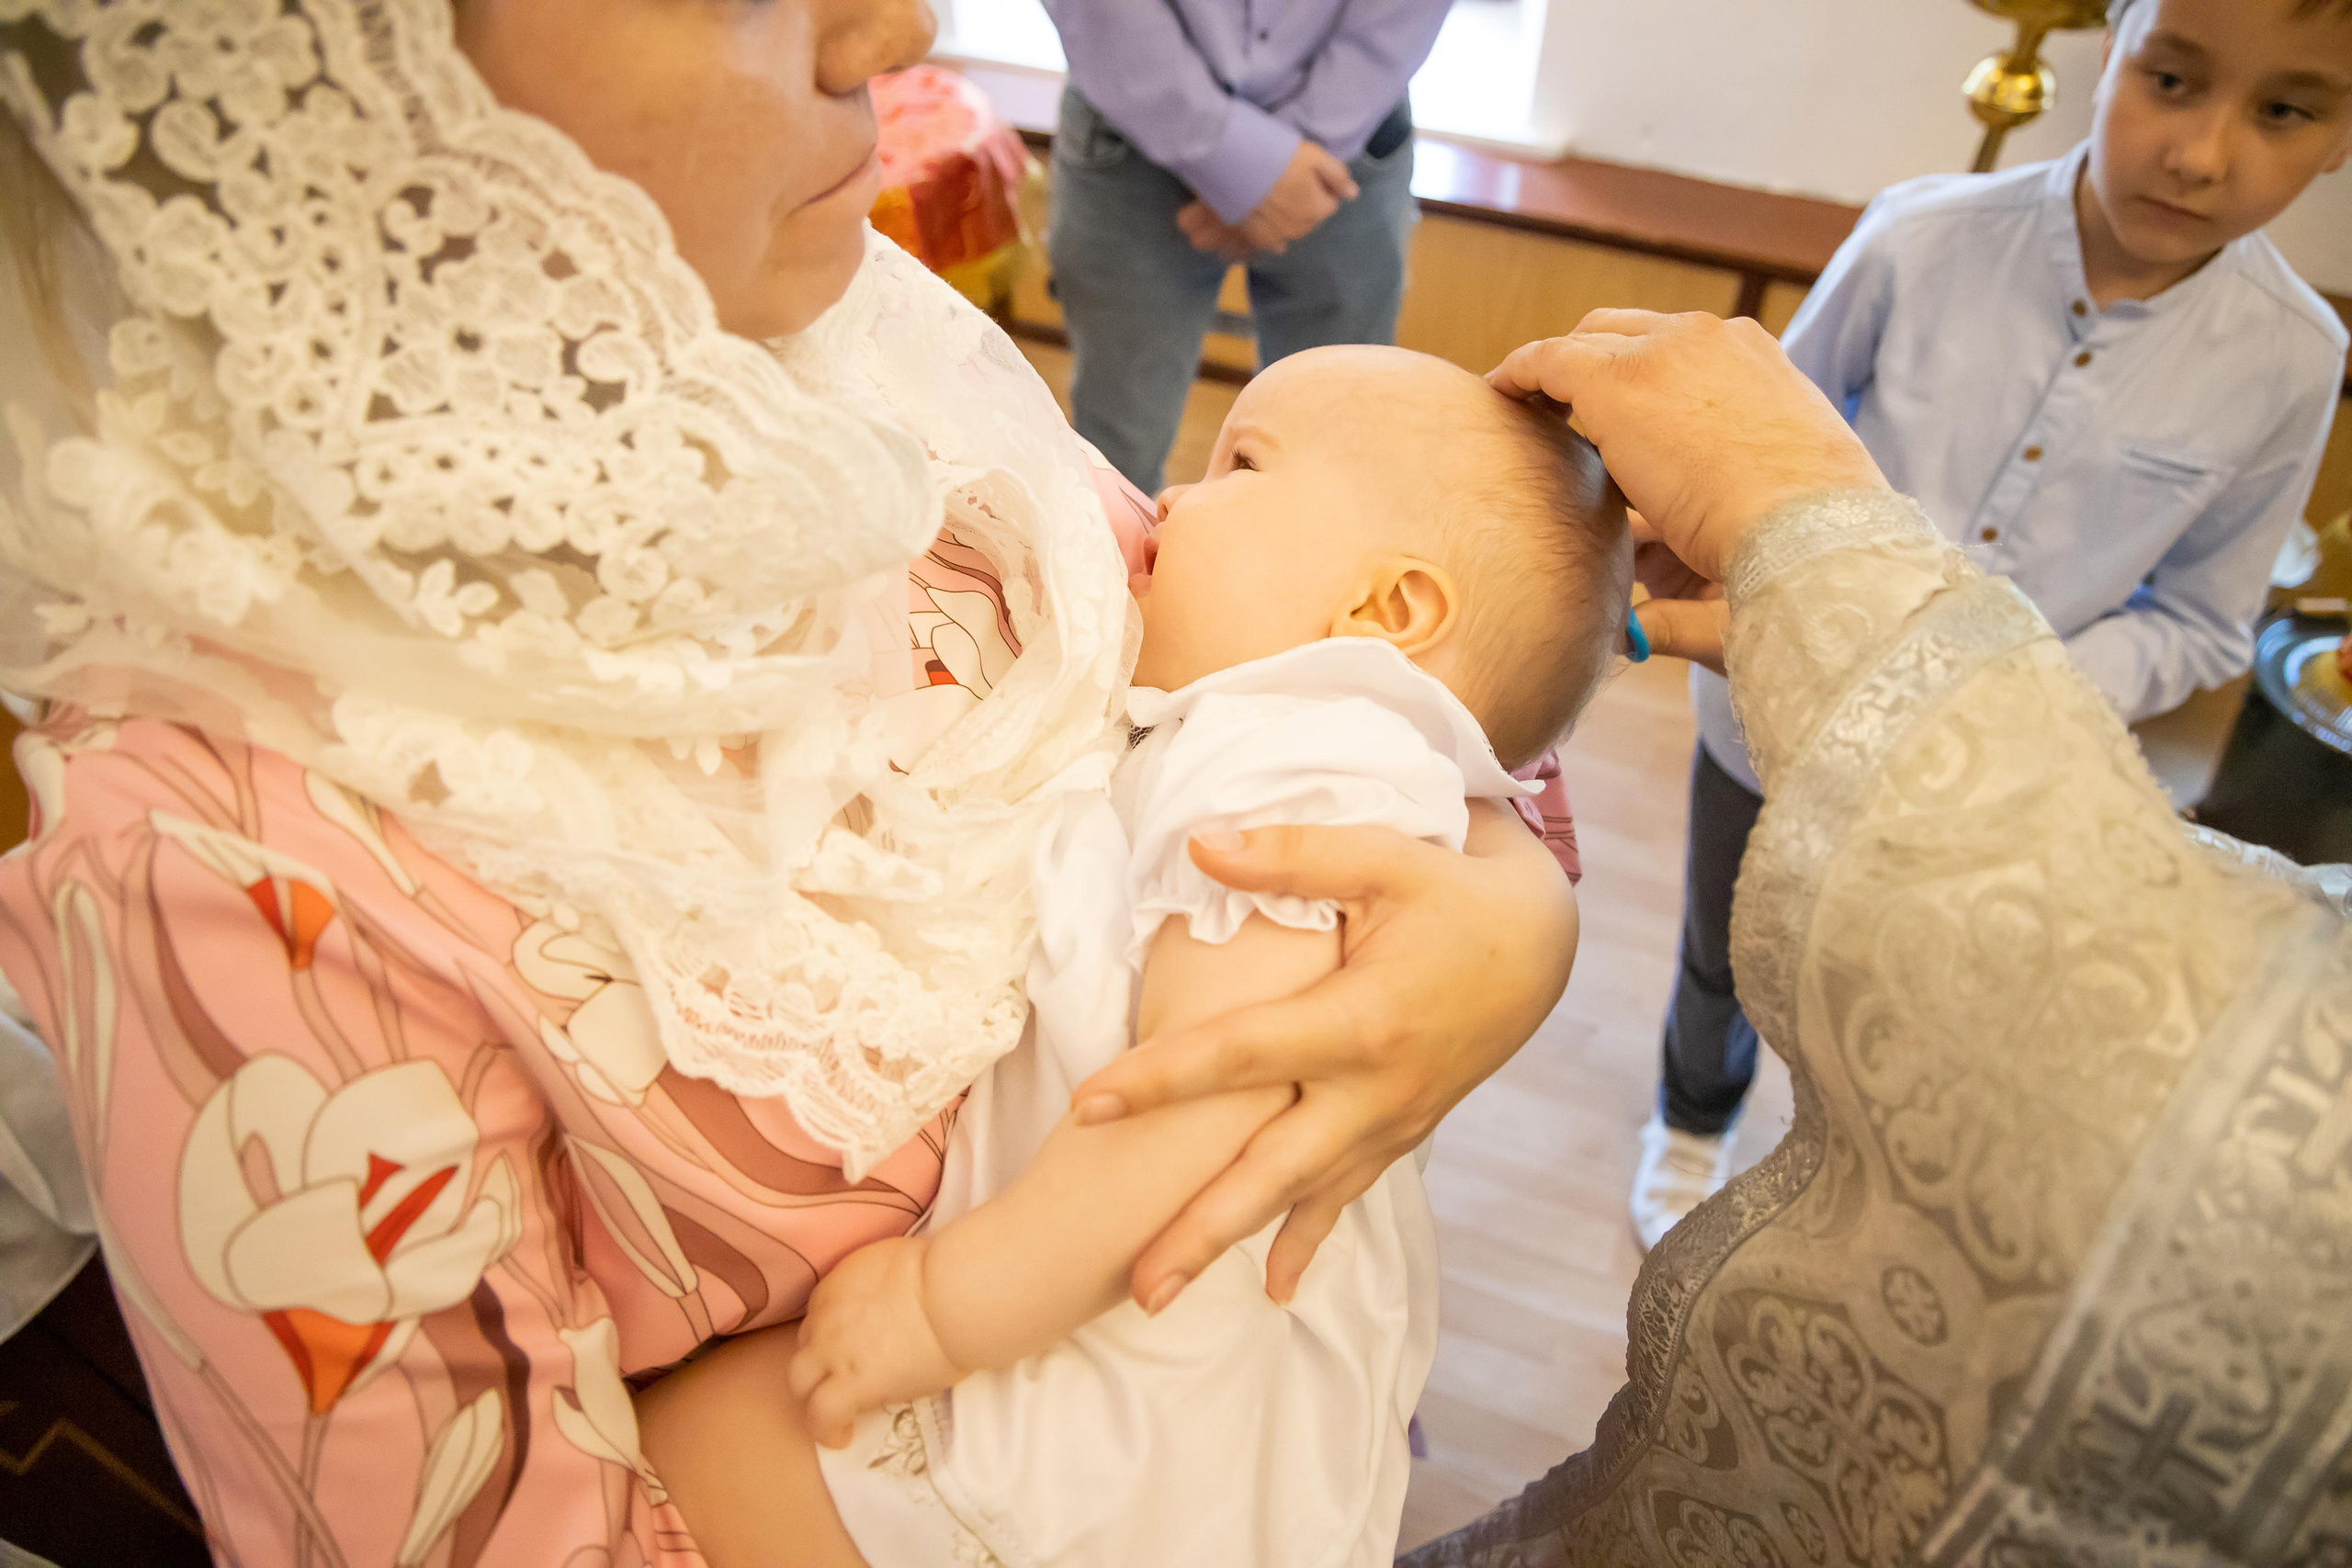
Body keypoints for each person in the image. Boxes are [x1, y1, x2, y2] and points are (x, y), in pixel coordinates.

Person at [0, 5, 1583, 1563]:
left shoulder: (848, 358)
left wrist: (1506, 926)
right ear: (337, 69)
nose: (899, 24)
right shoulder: (227, 862)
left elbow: (1368, 685)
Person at [633, 346, 1632, 1568]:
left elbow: (1209, 1091)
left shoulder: (1295, 753)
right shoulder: (1336, 756)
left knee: (686, 1449)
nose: (1169, 499)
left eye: (1239, 464)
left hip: (1087, 1374)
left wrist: (951, 1302)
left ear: (1388, 610)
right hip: (1147, 1375)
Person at [1632, 0, 2352, 1251]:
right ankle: (1692, 1120)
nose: (2201, 153)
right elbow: (1745, 444)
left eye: (2284, 109)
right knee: (1726, 952)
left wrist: (1989, 682)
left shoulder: (2295, 359)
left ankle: (1837, 1183)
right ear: (2113, 38)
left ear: (2342, 136)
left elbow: (2200, 619)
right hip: (1769, 718)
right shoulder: (1919, 238)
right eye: (2172, 79)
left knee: (1904, 989)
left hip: (1994, 773)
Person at [1041, 0, 1453, 493]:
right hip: (1133, 124)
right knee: (1117, 445)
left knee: (1333, 446)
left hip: (1348, 131)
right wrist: (1241, 164)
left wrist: (1266, 170)